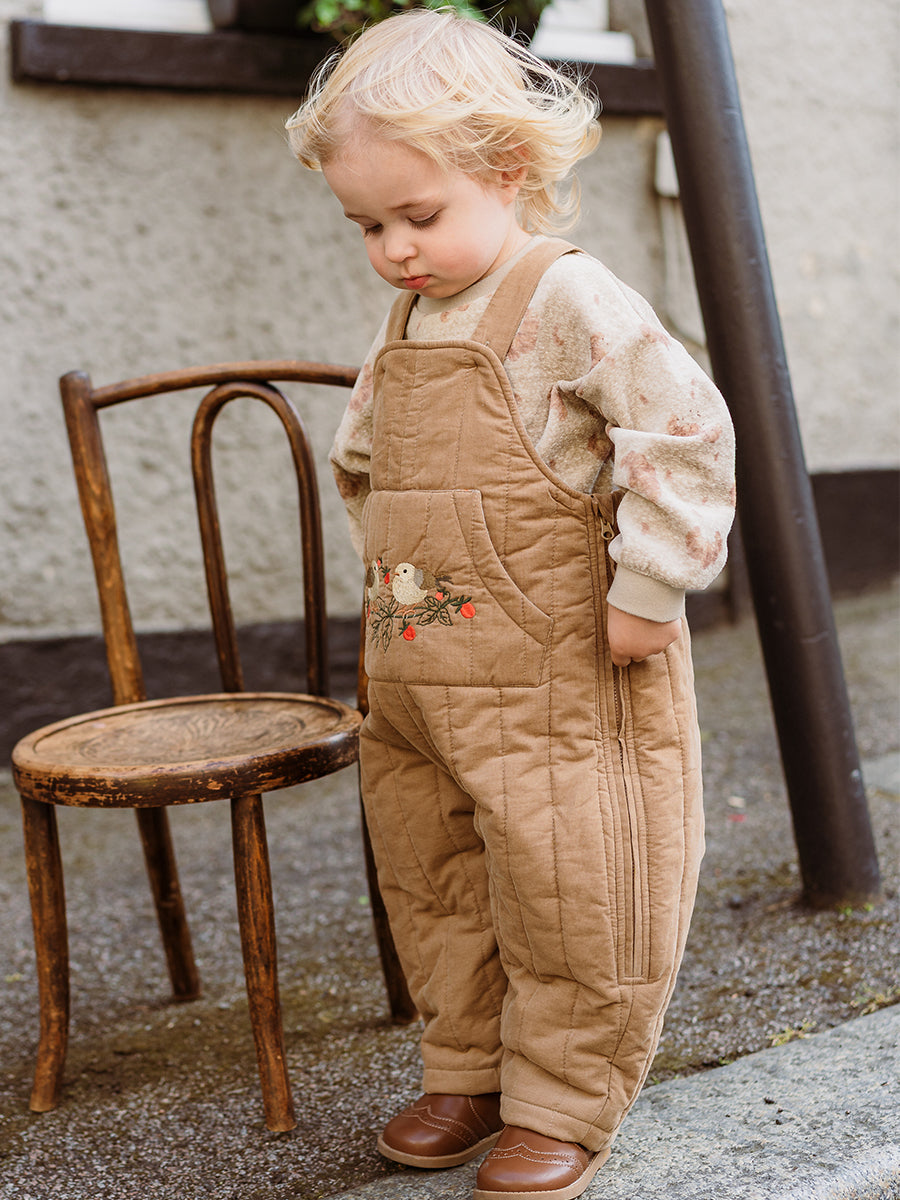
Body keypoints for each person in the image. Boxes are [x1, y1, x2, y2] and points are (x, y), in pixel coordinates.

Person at [286, 9, 735, 1198]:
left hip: (564, 672)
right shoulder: (412, 314)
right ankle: (469, 1069)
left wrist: (651, 584)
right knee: (437, 876)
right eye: (367, 226)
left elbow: (684, 432)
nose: (394, 249)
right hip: (425, 668)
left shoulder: (568, 296)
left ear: (506, 170)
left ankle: (561, 1099)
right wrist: (401, 594)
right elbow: (370, 464)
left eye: (417, 216)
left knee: (573, 878)